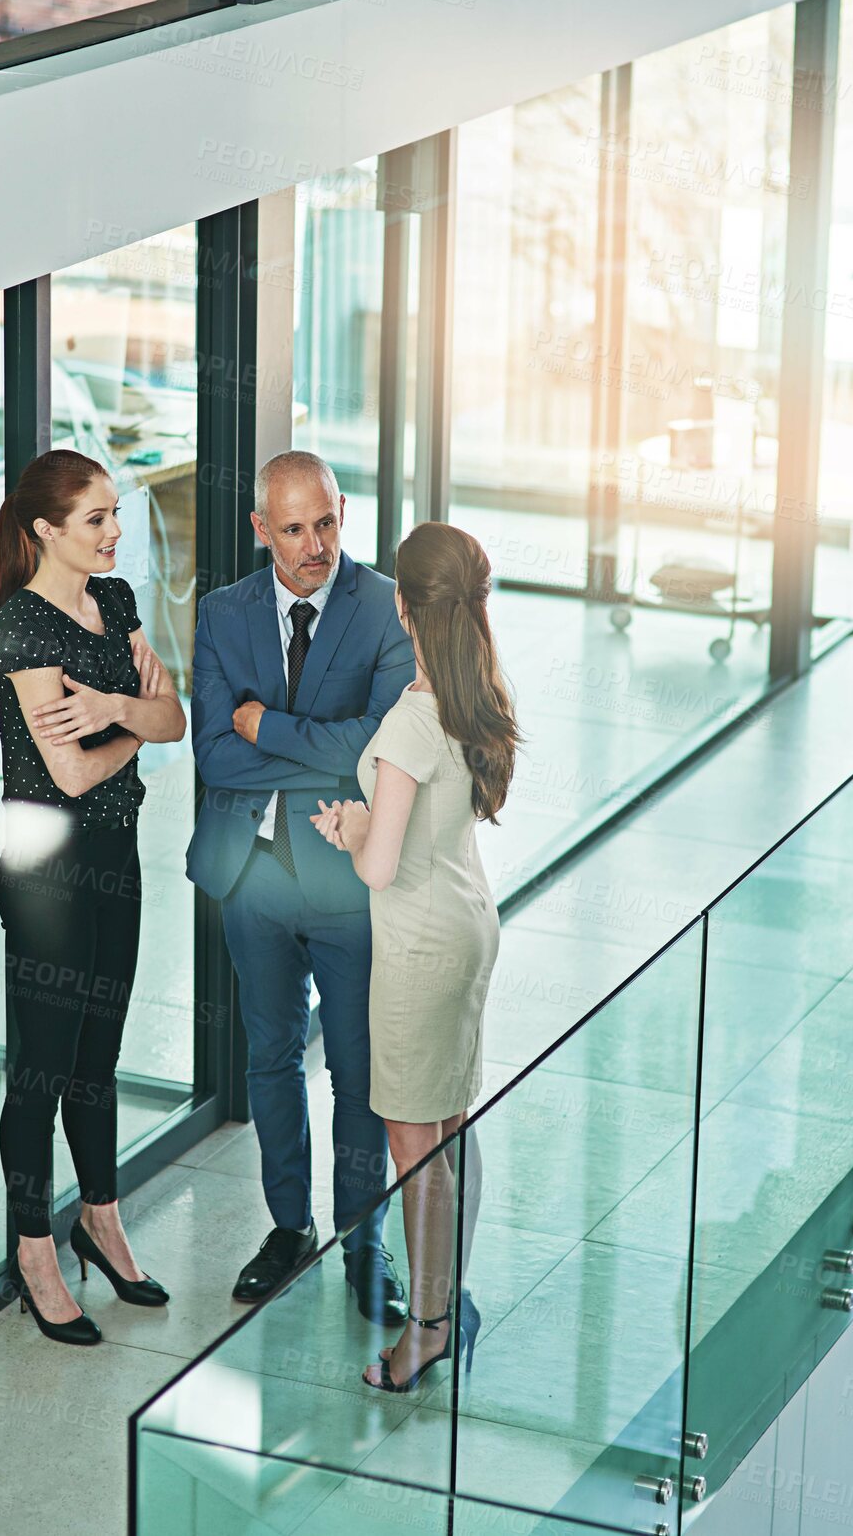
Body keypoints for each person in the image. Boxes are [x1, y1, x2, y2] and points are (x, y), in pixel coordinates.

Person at [186, 450, 414, 1322]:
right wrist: (310, 740)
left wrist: (267, 725)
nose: (315, 544)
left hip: (348, 877)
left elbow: (379, 746)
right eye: (293, 529)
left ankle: (365, 1245)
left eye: (326, 522)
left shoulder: (384, 607)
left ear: (341, 509)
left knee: (356, 1073)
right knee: (270, 1059)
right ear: (260, 529)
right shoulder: (221, 613)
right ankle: (289, 1229)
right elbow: (212, 752)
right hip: (253, 875)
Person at [311, 521, 519, 1392]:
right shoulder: (474, 692)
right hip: (469, 921)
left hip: (420, 946)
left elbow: (380, 865)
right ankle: (446, 1297)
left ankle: (426, 1330)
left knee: (415, 1146)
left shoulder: (408, 721)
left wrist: (352, 828)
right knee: (451, 1128)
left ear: (402, 605)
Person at [0, 449, 186, 1344]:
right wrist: (129, 723)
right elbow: (64, 774)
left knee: (97, 1054)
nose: (116, 531)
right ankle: (34, 1250)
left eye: (115, 513)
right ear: (45, 531)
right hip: (47, 869)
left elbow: (173, 715)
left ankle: (99, 1221)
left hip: (116, 850)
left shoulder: (115, 603)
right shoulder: (23, 626)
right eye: (97, 519)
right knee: (42, 1065)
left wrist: (114, 711)